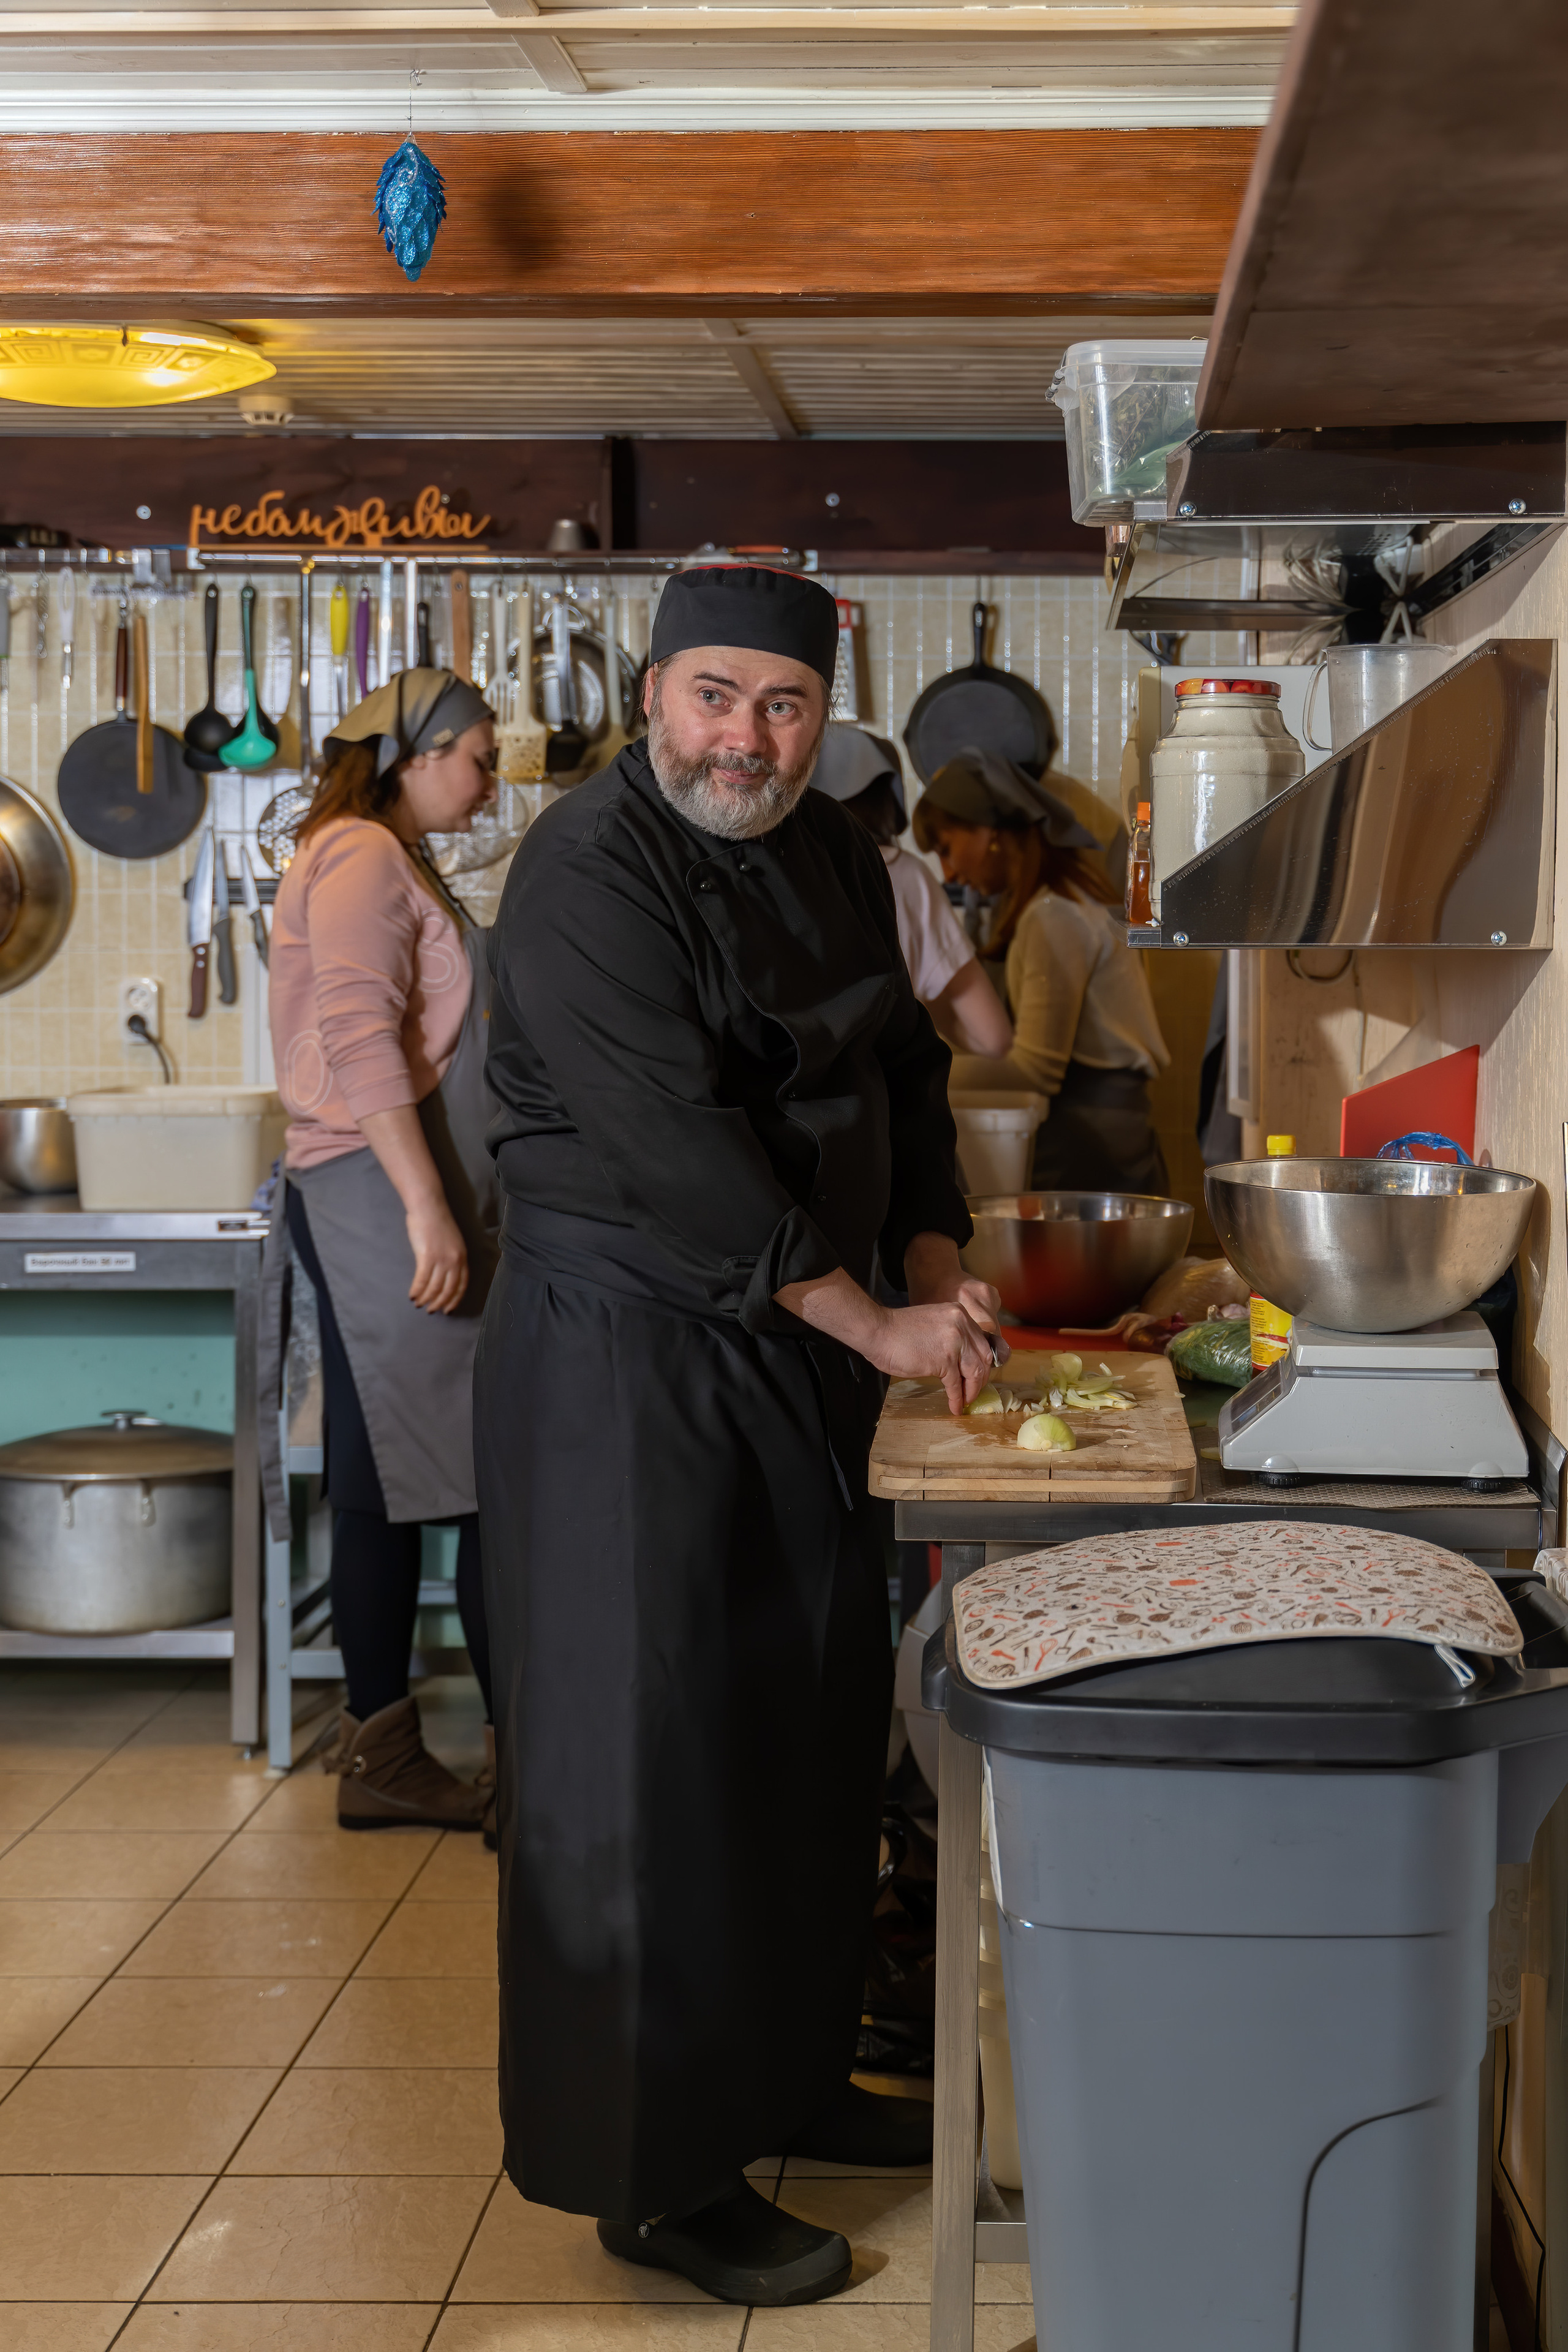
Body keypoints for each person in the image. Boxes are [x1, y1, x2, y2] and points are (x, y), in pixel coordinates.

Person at [477, 565, 1003, 2306]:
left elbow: (908, 1075)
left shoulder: (835, 847)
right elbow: (674, 1143)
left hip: (794, 1345)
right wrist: (869, 1315)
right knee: (655, 1766)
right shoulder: (585, 868)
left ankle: (785, 2079)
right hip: (628, 1352)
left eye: (782, 704)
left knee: (801, 1722)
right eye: (715, 695)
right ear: (649, 696)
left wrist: (931, 1250)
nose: (745, 737)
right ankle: (659, 2176)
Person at [262, 668, 501, 1833]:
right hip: (374, 1190)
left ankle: (390, 1745)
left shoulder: (379, 851)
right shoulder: (360, 855)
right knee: (438, 1480)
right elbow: (361, 1041)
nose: (492, 779)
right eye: (480, 757)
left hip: (379, 1184)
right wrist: (427, 1207)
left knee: (403, 1474)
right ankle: (395, 1752)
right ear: (421, 752)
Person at [911, 745, 1170, 1193]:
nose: (949, 874)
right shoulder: (1059, 902)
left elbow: (1034, 1071)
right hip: (1104, 1134)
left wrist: (922, 1074)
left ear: (989, 832)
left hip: (1091, 1143)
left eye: (948, 849)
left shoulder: (1055, 916)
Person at [809, 722, 1014, 1057]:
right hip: (883, 1097)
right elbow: (994, 1038)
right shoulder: (905, 875)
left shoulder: (759, 871)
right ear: (887, 801)